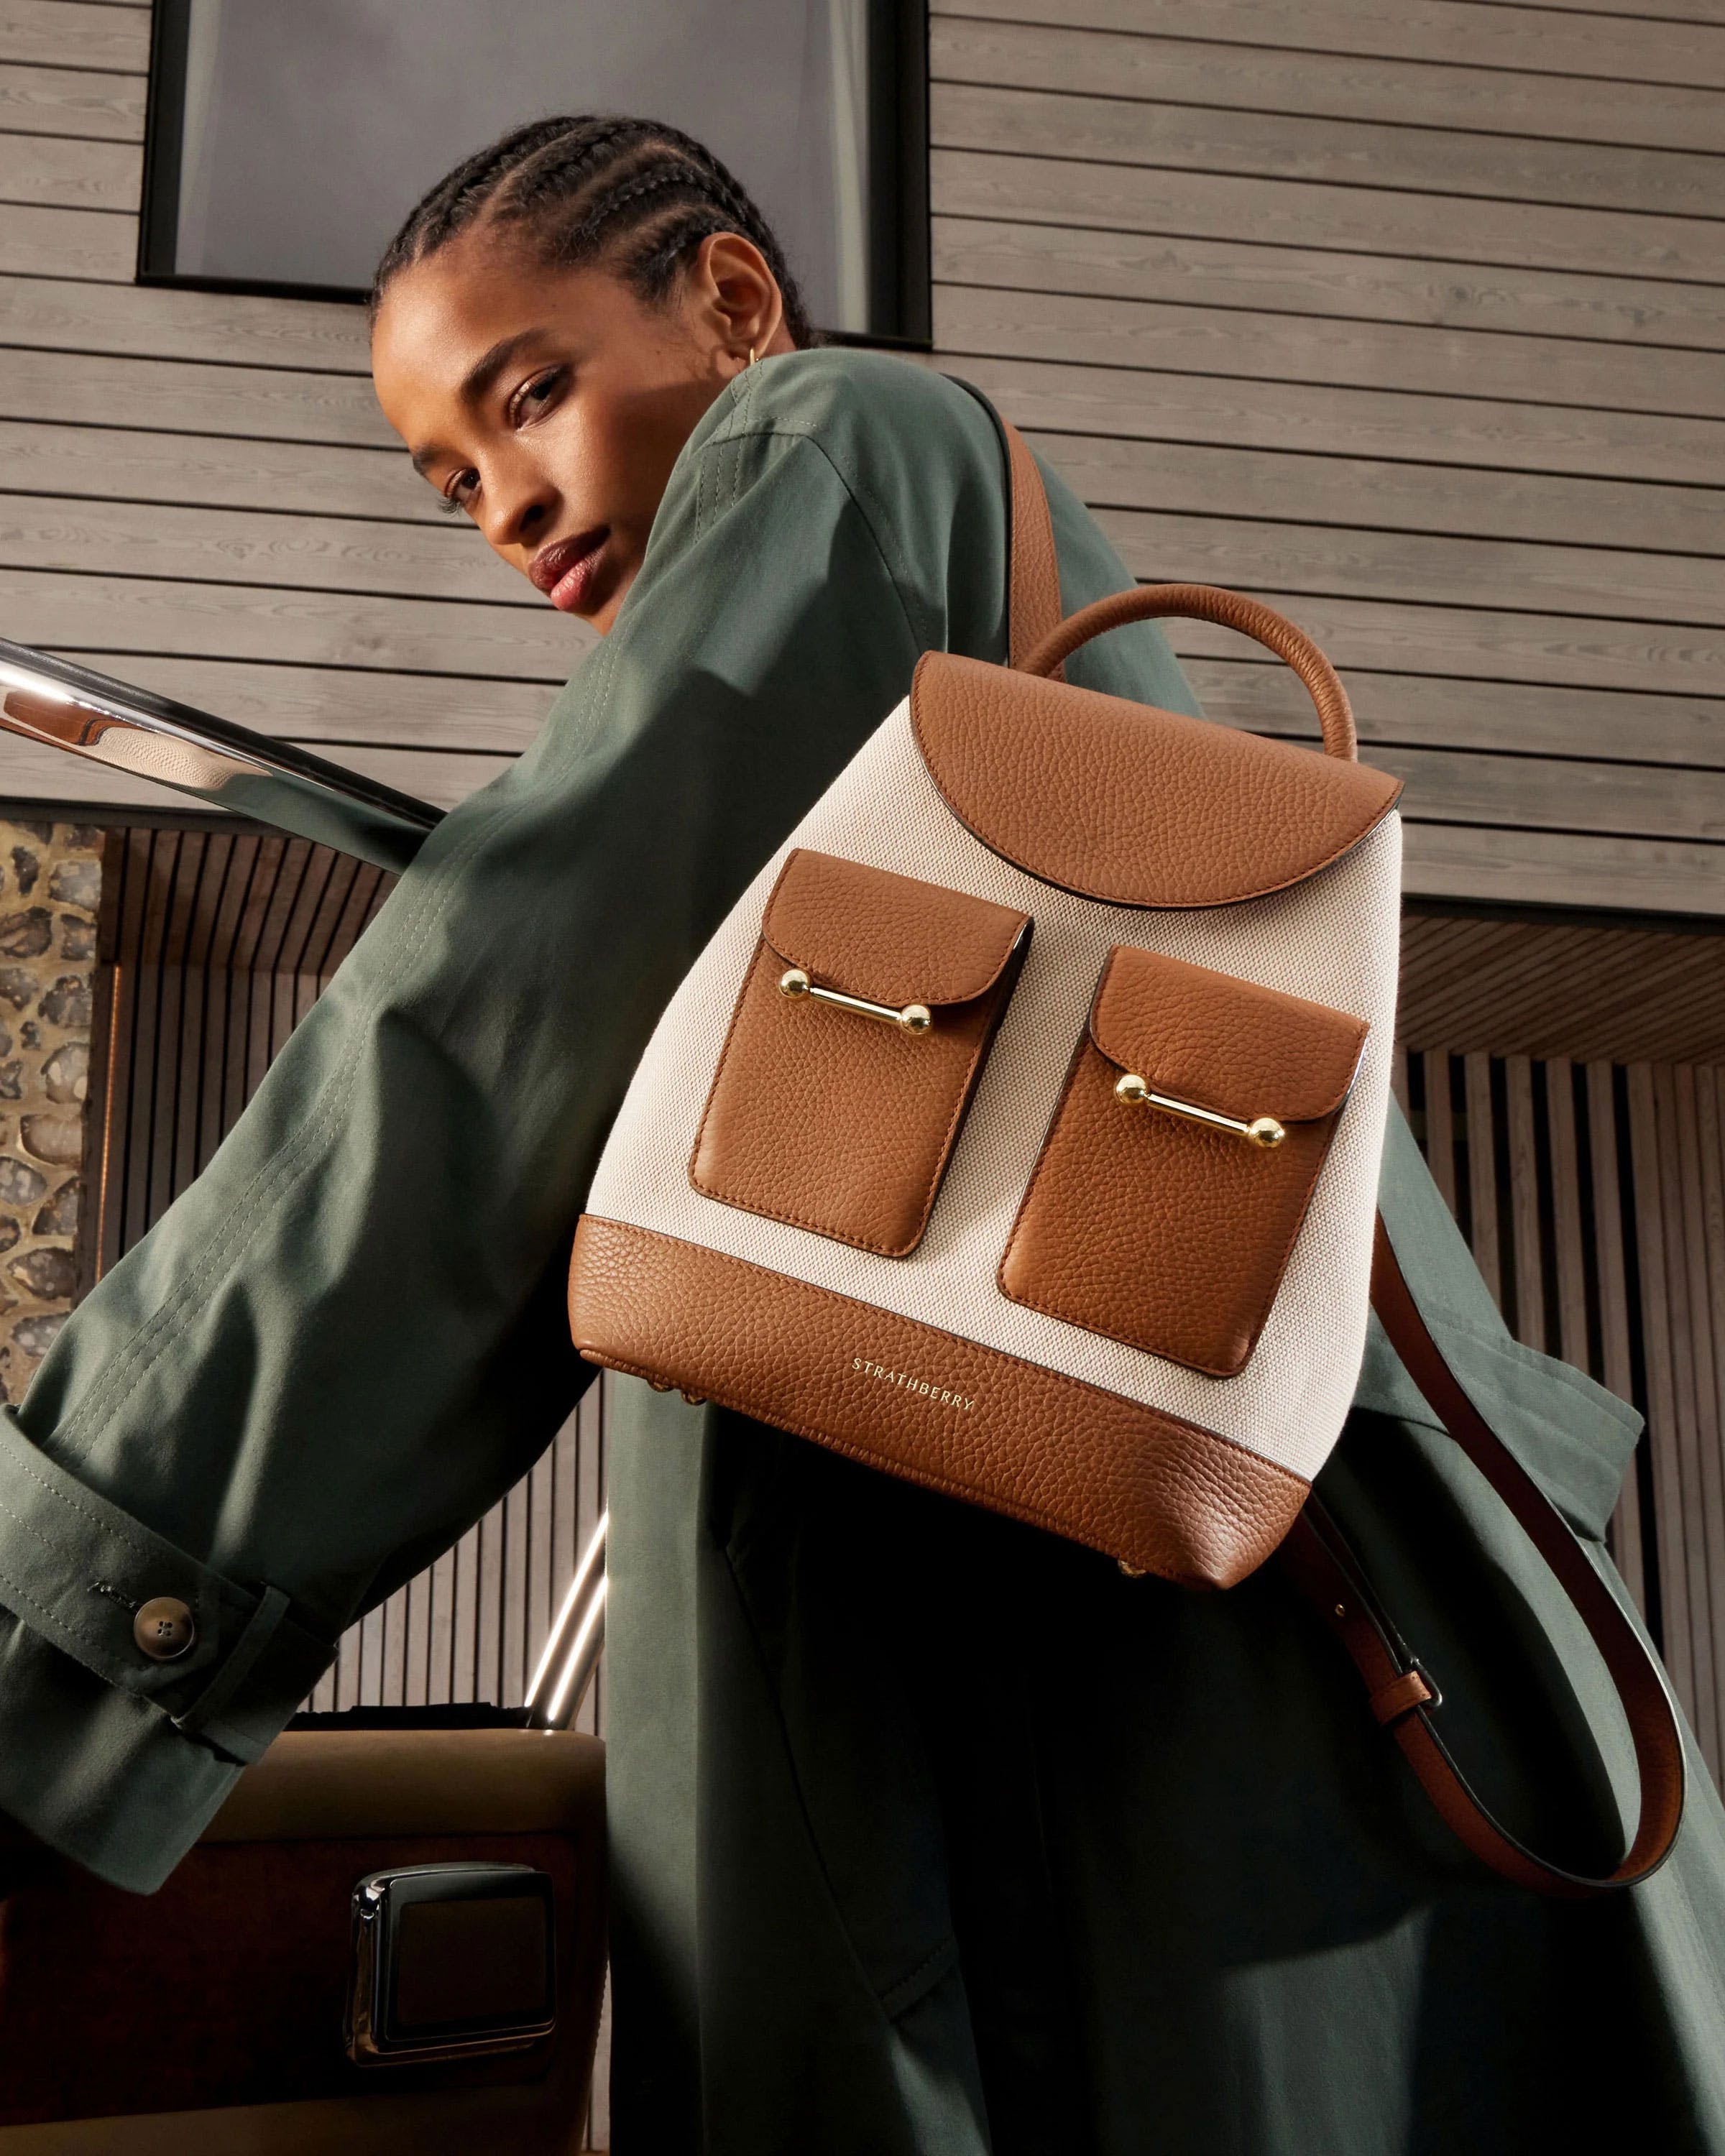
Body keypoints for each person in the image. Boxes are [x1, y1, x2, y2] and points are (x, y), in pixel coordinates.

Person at [0, 113, 1722, 2155]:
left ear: (730, 303)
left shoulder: (823, 434)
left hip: (1201, 1696)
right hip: (1257, 1646)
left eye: (529, 392)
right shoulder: (852, 617)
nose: (503, 505)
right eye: (450, 480)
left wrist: (73, 1626)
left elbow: (486, 1040)